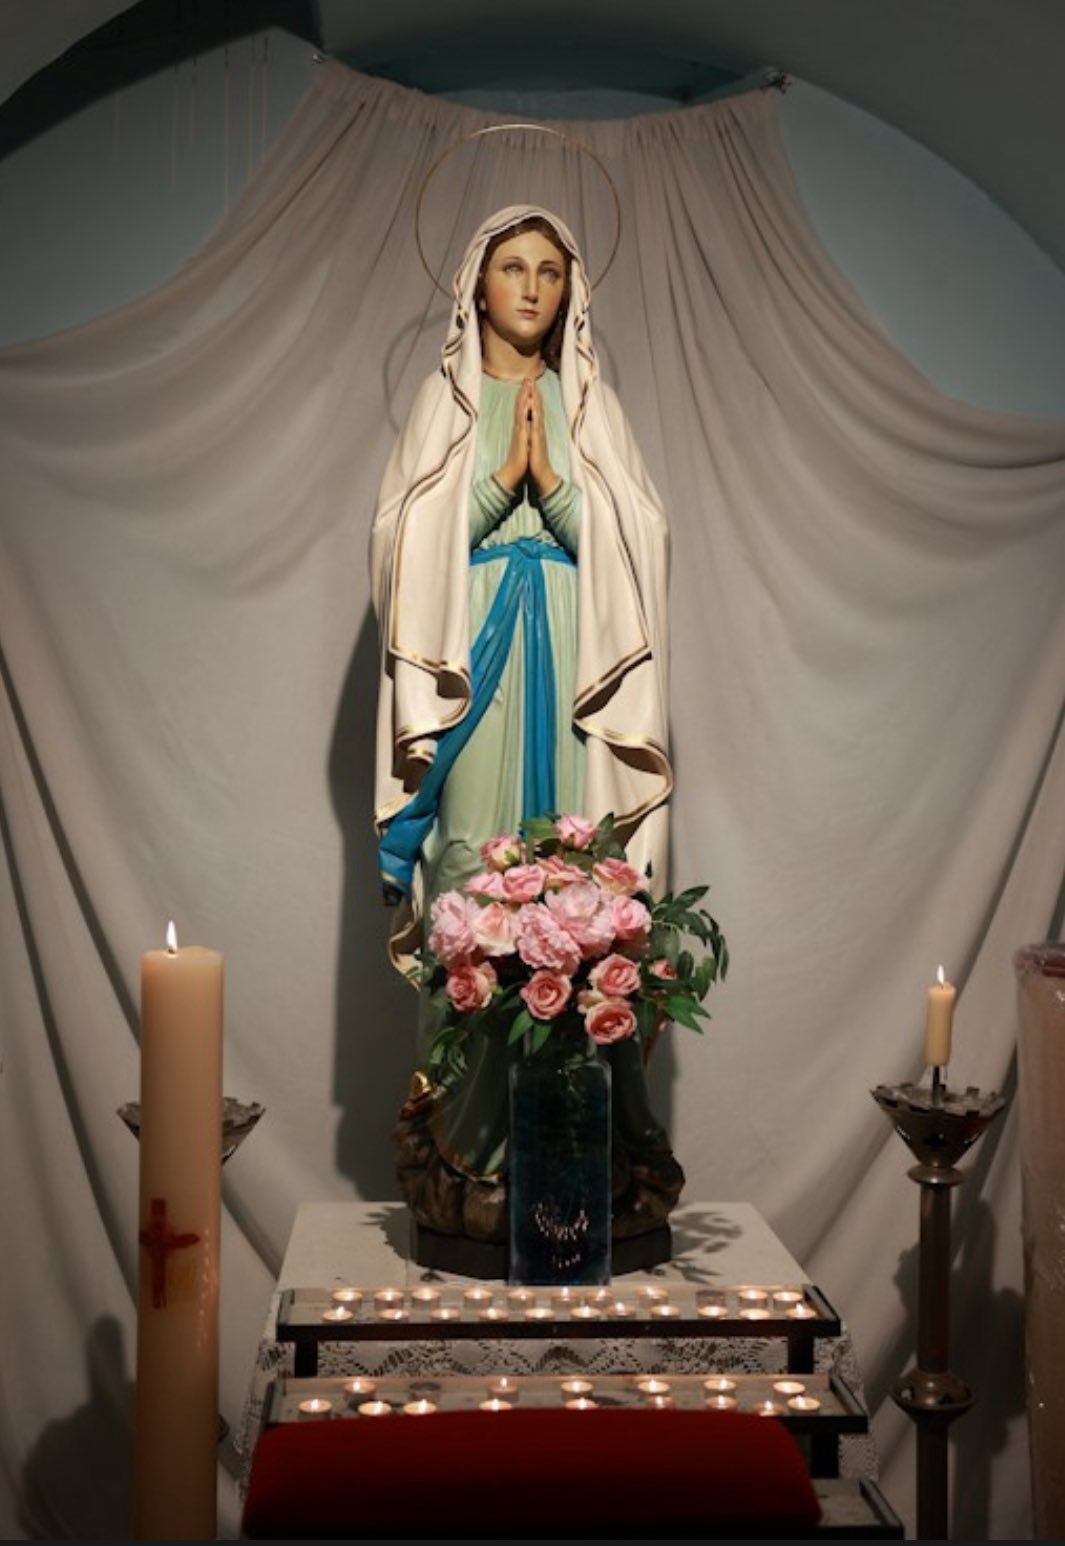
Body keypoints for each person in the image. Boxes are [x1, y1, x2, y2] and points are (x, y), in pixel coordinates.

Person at [370, 205, 681, 1251]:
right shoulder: (445, 405)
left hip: (574, 672)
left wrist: (556, 492)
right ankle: (467, 1157)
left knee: (580, 889)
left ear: (570, 290)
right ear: (478, 283)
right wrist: (500, 484)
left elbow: (638, 554)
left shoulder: (590, 406)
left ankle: (582, 1154)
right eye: (513, 267)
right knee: (469, 875)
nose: (533, 288)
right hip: (473, 675)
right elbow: (400, 555)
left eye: (550, 270)